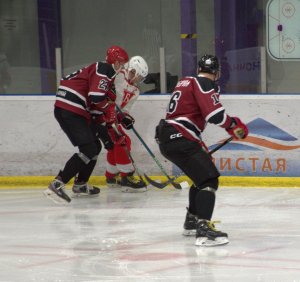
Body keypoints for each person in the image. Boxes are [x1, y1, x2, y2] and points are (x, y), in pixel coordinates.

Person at [155, 54, 248, 246]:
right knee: (209, 179)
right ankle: (203, 230)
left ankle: (191, 220)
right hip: (181, 136)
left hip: (167, 136)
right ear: (216, 72)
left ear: (199, 69)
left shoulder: (185, 82)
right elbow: (214, 114)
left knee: (200, 178)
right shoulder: (205, 83)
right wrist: (233, 125)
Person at [44, 45, 129, 204]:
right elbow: (97, 98)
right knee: (88, 149)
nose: (122, 67)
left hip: (71, 108)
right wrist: (108, 108)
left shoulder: (104, 78)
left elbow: (96, 114)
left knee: (95, 146)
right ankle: (57, 184)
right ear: (115, 62)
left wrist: (108, 130)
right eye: (121, 63)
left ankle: (81, 184)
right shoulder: (104, 69)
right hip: (71, 107)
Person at [104, 56, 149, 192]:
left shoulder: (135, 91)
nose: (138, 80)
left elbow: (124, 110)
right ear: (133, 70)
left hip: (112, 118)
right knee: (123, 141)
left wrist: (126, 118)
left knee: (114, 145)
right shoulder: (118, 75)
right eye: (139, 76)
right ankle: (126, 177)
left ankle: (111, 177)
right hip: (102, 114)